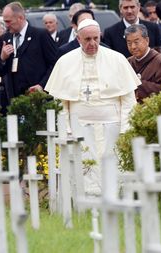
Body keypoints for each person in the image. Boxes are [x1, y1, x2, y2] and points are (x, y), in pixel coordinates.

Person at [45, 19, 140, 195]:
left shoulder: (117, 59)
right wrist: (66, 129)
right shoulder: (65, 62)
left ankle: (115, 199)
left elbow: (128, 99)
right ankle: (85, 203)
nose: (92, 43)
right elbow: (61, 102)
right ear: (78, 38)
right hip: (79, 128)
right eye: (87, 39)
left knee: (113, 166)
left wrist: (127, 128)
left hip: (113, 127)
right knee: (84, 168)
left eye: (96, 38)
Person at [0, 2, 57, 99]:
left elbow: (55, 64)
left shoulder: (40, 35)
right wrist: (2, 58)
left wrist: (42, 85)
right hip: (14, 98)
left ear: (20, 18)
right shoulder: (4, 38)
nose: (6, 25)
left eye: (8, 21)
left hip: (37, 97)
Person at [125, 24, 161, 103]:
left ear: (147, 40)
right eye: (129, 43)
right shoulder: (127, 62)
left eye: (136, 42)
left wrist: (138, 83)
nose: (133, 47)